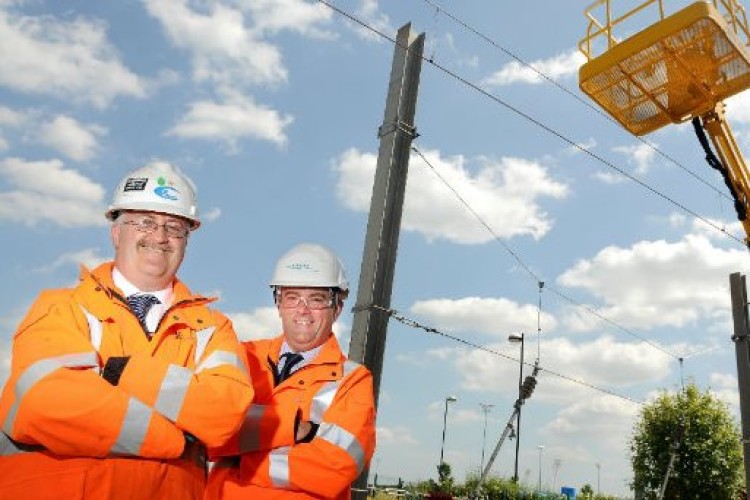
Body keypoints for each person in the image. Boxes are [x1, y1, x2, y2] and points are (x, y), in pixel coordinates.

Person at [0, 161, 254, 499]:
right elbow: (48, 403)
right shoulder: (60, 307)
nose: (160, 237)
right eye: (145, 221)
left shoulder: (213, 328)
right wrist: (176, 439)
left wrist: (116, 372)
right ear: (116, 232)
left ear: (186, 240)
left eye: (175, 227)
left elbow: (224, 414)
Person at [205, 243, 376, 500]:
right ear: (278, 303)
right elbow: (204, 429)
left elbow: (334, 468)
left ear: (337, 307)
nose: (302, 310)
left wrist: (240, 460)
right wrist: (296, 430)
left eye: (316, 299)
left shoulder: (352, 380)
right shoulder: (242, 356)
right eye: (292, 297)